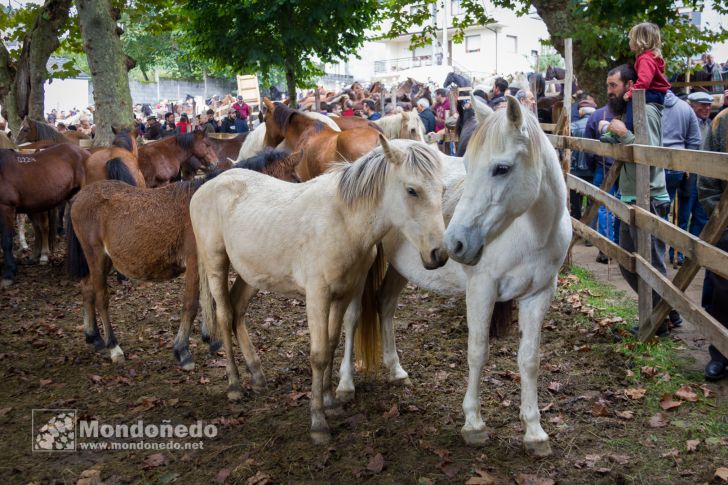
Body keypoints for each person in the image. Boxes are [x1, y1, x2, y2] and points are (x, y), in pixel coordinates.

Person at [602, 63, 679, 336]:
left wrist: (624, 134)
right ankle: (669, 310)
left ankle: (658, 321)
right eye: (608, 85)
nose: (609, 91)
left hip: (650, 197)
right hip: (631, 196)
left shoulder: (645, 110)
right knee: (627, 260)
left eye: (614, 85)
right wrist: (611, 132)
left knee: (652, 264)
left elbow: (653, 154)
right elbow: (617, 140)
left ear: (629, 85)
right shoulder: (627, 111)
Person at [697, 107, 728, 380]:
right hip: (726, 224)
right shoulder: (722, 122)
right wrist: (721, 221)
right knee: (722, 291)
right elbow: (706, 180)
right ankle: (720, 354)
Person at [602, 22, 670, 143]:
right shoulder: (651, 57)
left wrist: (630, 93)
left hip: (652, 92)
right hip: (657, 92)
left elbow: (644, 81)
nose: (629, 42)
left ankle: (624, 131)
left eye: (631, 39)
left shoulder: (645, 59)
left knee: (632, 103)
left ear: (640, 40)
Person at [661, 90, 702, 265]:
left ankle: (661, 252)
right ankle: (677, 253)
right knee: (682, 212)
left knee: (660, 211)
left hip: (659, 165)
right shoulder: (686, 108)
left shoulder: (650, 106)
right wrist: (687, 163)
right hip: (681, 166)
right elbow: (695, 139)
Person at [570, 98, 597, 221]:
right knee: (592, 202)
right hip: (593, 169)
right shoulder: (598, 125)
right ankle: (589, 226)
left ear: (581, 111)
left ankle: (576, 228)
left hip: (576, 169)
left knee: (575, 203)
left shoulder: (573, 126)